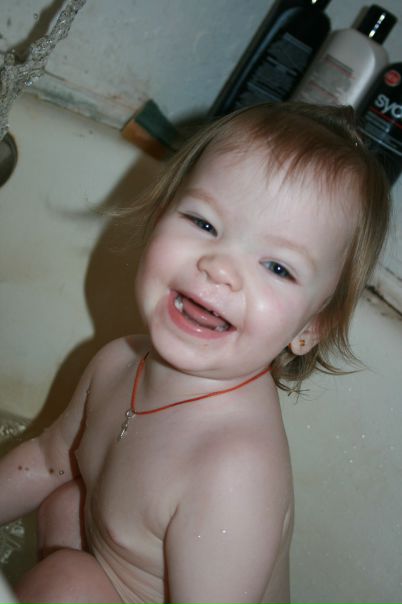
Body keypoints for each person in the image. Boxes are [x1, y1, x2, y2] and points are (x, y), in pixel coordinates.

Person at [0, 102, 390, 604]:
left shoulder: (233, 471)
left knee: (66, 582)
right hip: (111, 572)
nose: (220, 268)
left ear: (311, 328)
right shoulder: (117, 362)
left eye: (277, 267)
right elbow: (46, 460)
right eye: (204, 223)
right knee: (66, 503)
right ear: (158, 215)